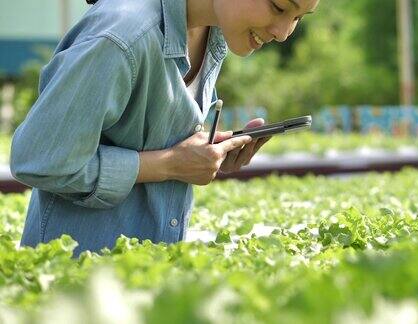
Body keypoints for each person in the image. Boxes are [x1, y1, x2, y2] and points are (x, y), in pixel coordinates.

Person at [10, 0, 319, 256]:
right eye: (279, 7)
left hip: (147, 285)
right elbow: (40, 161)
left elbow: (147, 137)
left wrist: (202, 155)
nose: (283, 33)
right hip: (76, 287)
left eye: (298, 17)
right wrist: (170, 165)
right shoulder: (121, 36)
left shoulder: (212, 32)